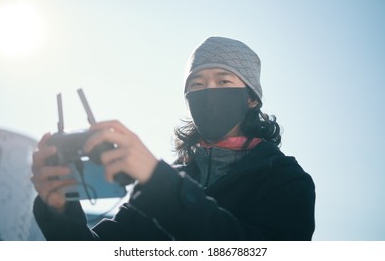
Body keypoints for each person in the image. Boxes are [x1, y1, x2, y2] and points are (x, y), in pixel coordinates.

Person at [31, 36, 316, 240]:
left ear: (252, 99)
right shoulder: (162, 183)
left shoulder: (285, 179)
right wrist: (60, 209)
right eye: (197, 84)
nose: (208, 91)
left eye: (223, 81)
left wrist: (159, 183)